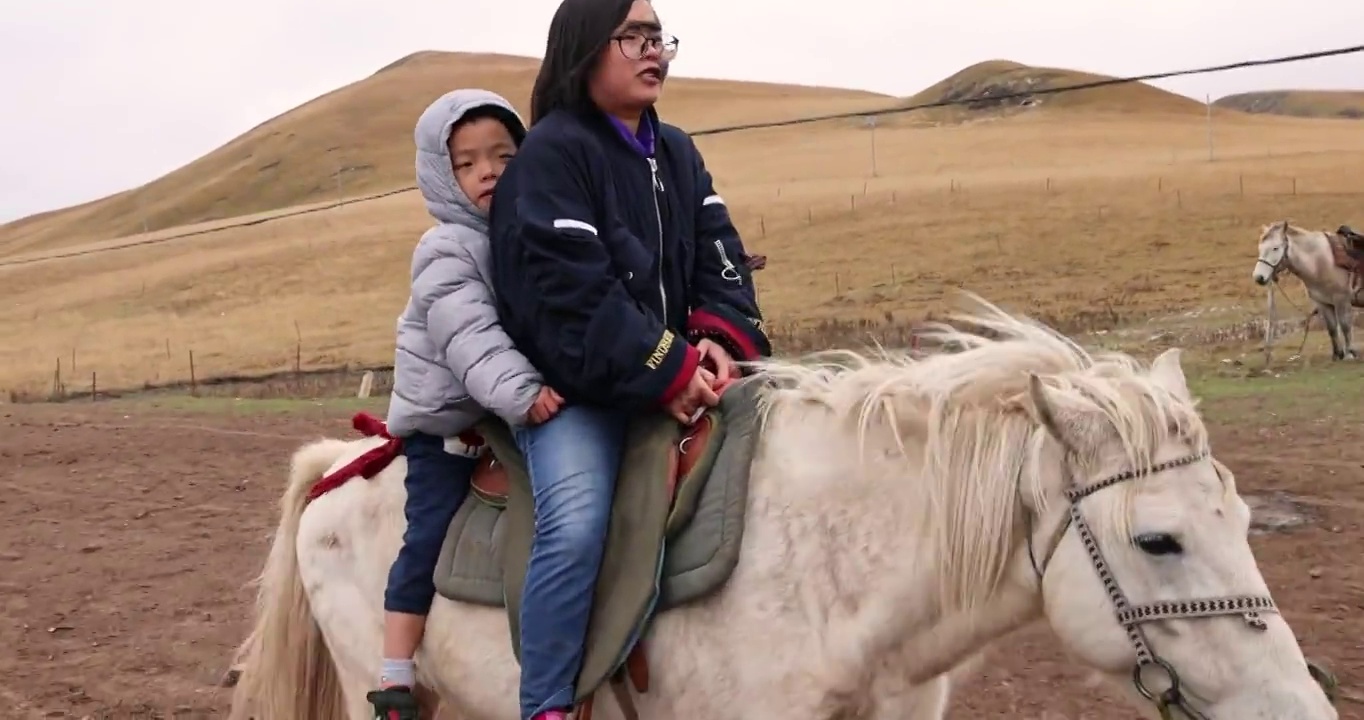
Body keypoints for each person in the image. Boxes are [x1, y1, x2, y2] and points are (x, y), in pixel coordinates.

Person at [487, 1, 772, 717]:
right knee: (577, 519)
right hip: (576, 392)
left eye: (659, 37)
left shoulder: (676, 150)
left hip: (681, 370)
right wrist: (669, 370)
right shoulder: (551, 156)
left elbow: (721, 253)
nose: (655, 52)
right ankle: (546, 702)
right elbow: (573, 293)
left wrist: (718, 340)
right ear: (587, 49)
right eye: (635, 37)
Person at [370, 88, 566, 720]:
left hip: (492, 416)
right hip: (448, 424)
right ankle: (395, 674)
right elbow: (469, 336)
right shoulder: (447, 248)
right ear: (441, 175)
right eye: (468, 163)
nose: (489, 172)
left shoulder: (527, 236)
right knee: (426, 535)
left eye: (505, 156)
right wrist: (523, 394)